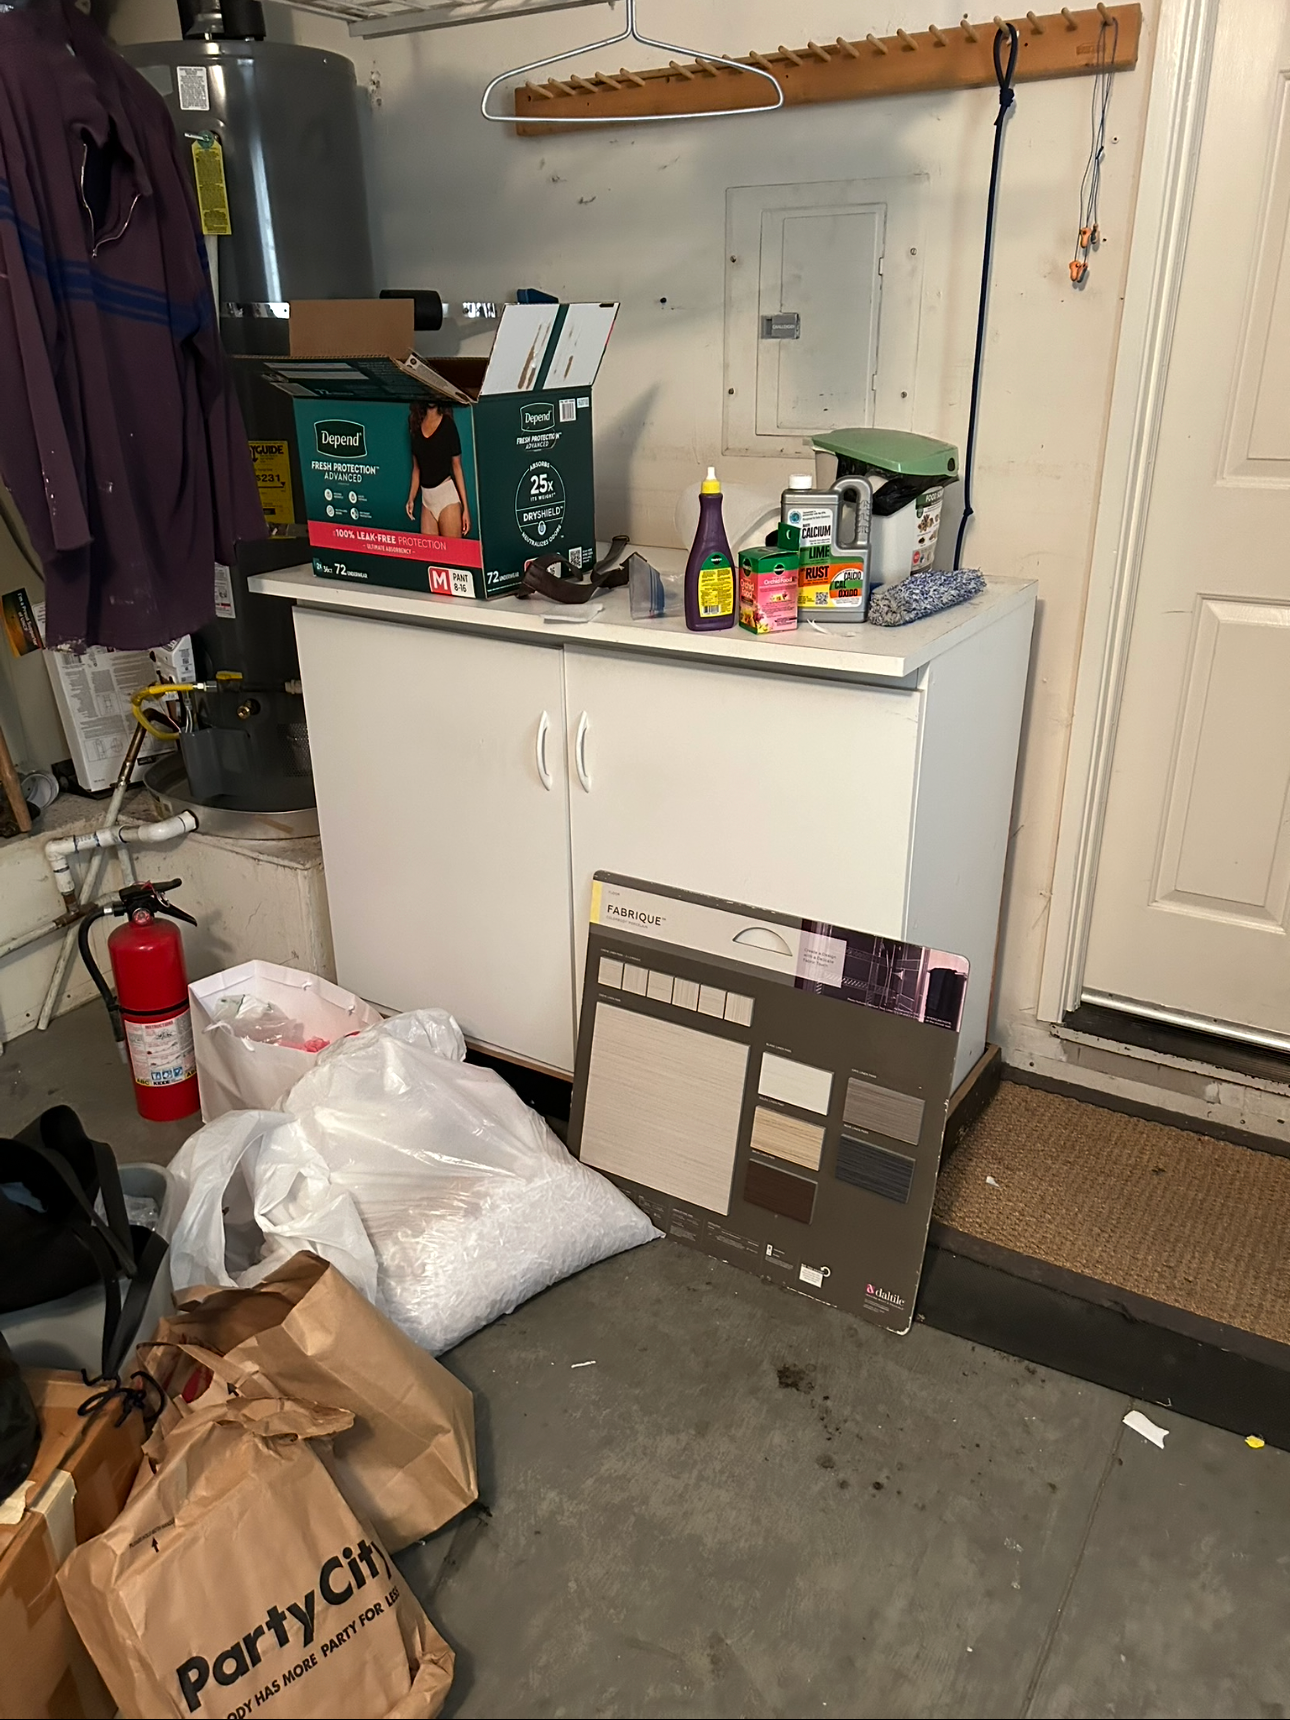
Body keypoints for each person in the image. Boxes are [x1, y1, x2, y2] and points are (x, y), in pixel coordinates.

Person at [405, 402, 470, 538]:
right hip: (427, 501)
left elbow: (457, 466)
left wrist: (465, 509)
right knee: (429, 552)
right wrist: (411, 498)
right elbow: (416, 469)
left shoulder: (448, 425)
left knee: (452, 551)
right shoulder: (415, 428)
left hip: (446, 498)